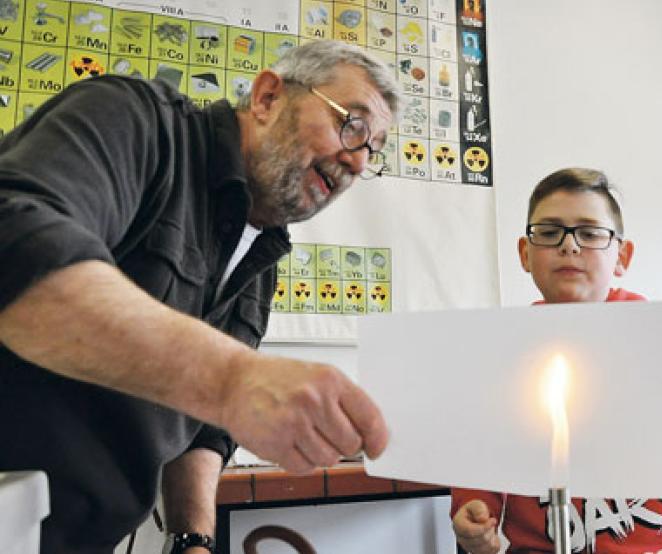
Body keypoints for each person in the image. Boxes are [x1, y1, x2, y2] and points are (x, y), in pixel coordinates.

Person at [0, 40, 401, 554]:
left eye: (373, 150)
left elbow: (205, 428)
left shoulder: (261, 253)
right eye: (353, 126)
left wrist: (192, 538)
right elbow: (15, 249)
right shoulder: (137, 122)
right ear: (267, 96)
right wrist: (234, 379)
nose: (357, 161)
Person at [450, 168, 662, 553]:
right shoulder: (502, 354)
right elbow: (484, 454)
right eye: (549, 233)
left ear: (621, 255)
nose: (569, 246)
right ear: (525, 253)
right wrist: (474, 509)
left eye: (589, 233)